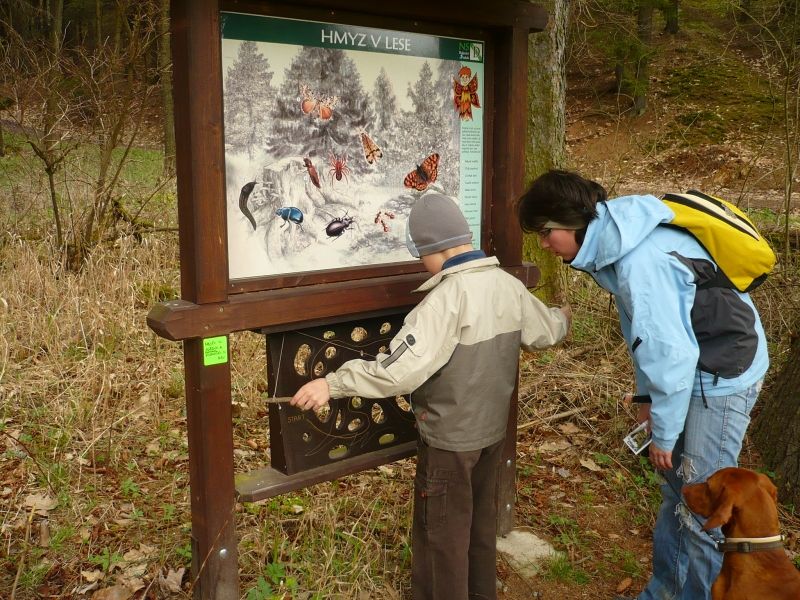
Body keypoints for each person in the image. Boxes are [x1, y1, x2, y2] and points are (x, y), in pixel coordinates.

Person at [292, 192, 571, 600]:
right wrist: (563, 317)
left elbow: (396, 373)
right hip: (491, 435)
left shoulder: (444, 301)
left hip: (449, 445)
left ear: (432, 249)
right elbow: (546, 330)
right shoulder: (507, 286)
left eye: (420, 253)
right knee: (478, 528)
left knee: (441, 538)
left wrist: (331, 384)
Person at [516, 169, 768, 600]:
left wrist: (665, 436)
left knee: (702, 509)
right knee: (679, 497)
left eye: (545, 233)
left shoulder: (641, 261)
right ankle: (664, 593)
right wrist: (647, 398)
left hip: (721, 375)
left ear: (573, 222)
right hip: (694, 369)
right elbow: (642, 334)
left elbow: (671, 355)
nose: (542, 244)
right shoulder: (618, 237)